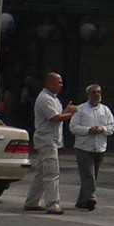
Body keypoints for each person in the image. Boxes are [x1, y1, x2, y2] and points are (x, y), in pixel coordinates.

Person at [22, 72, 75, 214]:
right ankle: (52, 203)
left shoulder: (54, 99)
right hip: (47, 140)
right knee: (52, 172)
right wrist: (70, 114)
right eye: (59, 82)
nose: (61, 85)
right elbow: (54, 118)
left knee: (41, 172)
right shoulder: (44, 98)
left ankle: (32, 201)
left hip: (51, 139)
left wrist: (66, 111)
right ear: (50, 83)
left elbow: (57, 116)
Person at [69, 83, 114, 211]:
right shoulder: (80, 109)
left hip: (100, 147)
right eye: (93, 92)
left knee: (92, 175)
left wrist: (103, 129)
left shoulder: (105, 110)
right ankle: (91, 198)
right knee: (88, 173)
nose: (96, 95)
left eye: (98, 92)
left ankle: (81, 200)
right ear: (88, 95)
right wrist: (89, 130)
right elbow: (73, 128)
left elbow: (112, 126)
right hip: (84, 147)